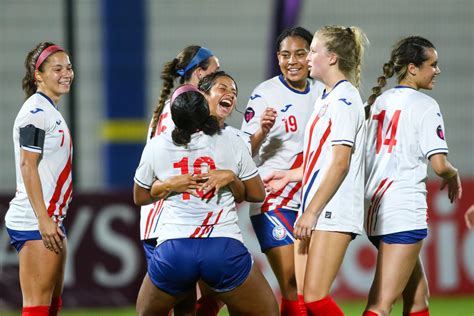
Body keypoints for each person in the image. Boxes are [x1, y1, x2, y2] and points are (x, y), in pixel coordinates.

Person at [133, 85, 279, 316]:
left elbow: (140, 197)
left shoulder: (157, 145)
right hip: (222, 247)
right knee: (268, 312)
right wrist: (231, 178)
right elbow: (257, 194)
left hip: (175, 248)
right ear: (205, 111)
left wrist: (169, 184)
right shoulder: (231, 140)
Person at [264, 25, 368, 315]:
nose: (306, 57)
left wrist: (312, 212)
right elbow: (320, 159)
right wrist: (290, 175)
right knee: (301, 299)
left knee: (315, 299)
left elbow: (340, 162)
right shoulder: (326, 97)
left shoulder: (345, 99)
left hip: (332, 209)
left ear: (332, 57)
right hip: (314, 206)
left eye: (312, 51)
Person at [362, 36, 462, 316]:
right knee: (380, 305)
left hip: (374, 211)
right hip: (403, 211)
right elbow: (440, 165)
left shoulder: (379, 102)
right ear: (412, 68)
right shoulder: (425, 104)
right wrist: (452, 174)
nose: (437, 71)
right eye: (433, 64)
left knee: (419, 298)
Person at [240, 26, 324, 316]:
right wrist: (262, 130)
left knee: (311, 288)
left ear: (311, 56)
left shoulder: (325, 93)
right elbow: (243, 152)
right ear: (278, 59)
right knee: (291, 282)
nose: (293, 61)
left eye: (300, 53)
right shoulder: (266, 93)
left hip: (310, 198)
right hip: (272, 199)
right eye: (286, 55)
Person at [139, 46, 220, 316]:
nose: (219, 77)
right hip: (166, 224)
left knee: (191, 301)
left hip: (172, 223)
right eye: (214, 71)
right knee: (173, 305)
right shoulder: (180, 114)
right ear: (199, 73)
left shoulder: (170, 109)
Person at [5, 42, 74, 316]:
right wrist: (43, 220)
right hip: (35, 222)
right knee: (36, 309)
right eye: (57, 69)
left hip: (48, 220)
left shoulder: (48, 110)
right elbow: (27, 165)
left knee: (50, 307)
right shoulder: (35, 113)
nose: (66, 73)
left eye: (68, 67)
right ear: (39, 75)